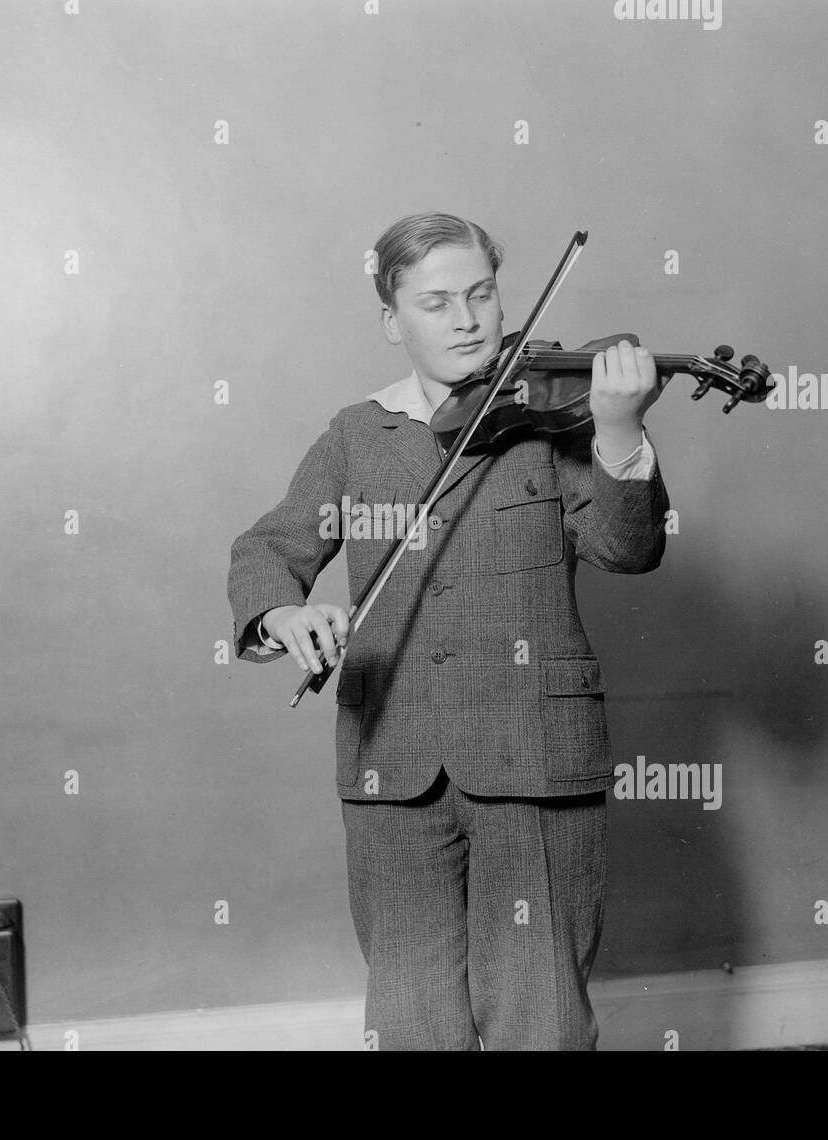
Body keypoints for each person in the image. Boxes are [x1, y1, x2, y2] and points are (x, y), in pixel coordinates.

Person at [227, 212, 669, 1050]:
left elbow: (628, 546)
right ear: (392, 321)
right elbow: (268, 548)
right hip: (393, 760)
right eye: (436, 303)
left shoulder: (558, 419)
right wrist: (284, 612)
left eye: (482, 294)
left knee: (540, 1013)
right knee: (411, 1015)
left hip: (532, 752)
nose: (466, 319)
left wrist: (618, 425)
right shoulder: (356, 436)